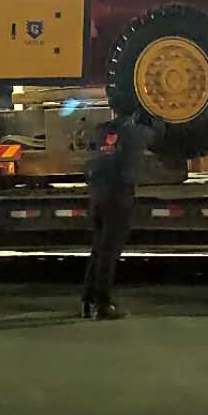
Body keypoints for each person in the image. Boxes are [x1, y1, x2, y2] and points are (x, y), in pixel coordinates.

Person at [82, 110, 161, 320]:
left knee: (98, 249)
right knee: (109, 252)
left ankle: (87, 302)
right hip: (118, 196)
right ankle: (103, 304)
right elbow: (159, 133)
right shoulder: (137, 133)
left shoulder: (101, 131)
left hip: (97, 194)